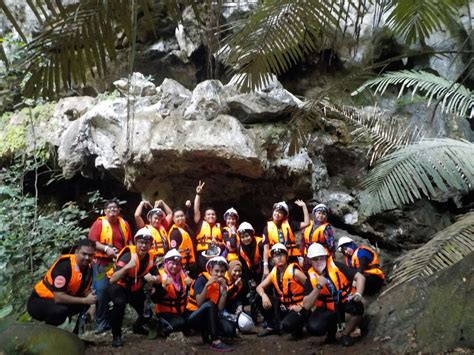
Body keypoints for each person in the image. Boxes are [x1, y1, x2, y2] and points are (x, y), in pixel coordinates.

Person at [303, 243, 366, 347]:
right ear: (310, 260)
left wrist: (358, 293)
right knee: (314, 327)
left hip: (343, 300)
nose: (319, 262)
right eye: (315, 259)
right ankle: (330, 334)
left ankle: (345, 335)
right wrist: (318, 286)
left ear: (326, 257)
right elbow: (306, 305)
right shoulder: (310, 277)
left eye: (321, 258)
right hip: (327, 306)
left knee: (358, 308)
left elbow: (360, 277)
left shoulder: (337, 266)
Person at [107, 227, 160, 347]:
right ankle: (116, 335)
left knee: (147, 314)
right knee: (119, 304)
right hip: (119, 284)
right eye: (141, 242)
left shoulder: (150, 257)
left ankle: (137, 327)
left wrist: (155, 279)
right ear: (136, 243)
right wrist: (127, 267)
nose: (144, 246)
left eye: (147, 243)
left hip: (134, 286)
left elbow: (158, 275)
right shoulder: (127, 255)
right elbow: (112, 279)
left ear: (150, 245)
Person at [27, 239, 97, 329]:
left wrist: (92, 305)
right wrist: (85, 300)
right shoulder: (64, 266)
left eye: (90, 255)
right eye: (84, 254)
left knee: (94, 301)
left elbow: (86, 291)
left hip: (59, 301)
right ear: (76, 252)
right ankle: (50, 333)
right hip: (39, 301)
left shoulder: (88, 268)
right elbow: (59, 297)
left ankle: (77, 333)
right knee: (60, 311)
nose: (87, 258)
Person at [88, 199, 132, 334]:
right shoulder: (99, 224)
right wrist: (106, 248)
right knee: (101, 291)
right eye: (110, 208)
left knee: (119, 291)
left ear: (118, 211)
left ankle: (115, 321)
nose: (113, 210)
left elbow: (129, 241)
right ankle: (101, 323)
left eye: (115, 208)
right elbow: (91, 242)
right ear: (105, 211)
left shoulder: (124, 224)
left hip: (119, 264)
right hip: (103, 264)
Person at [256, 243, 308, 338]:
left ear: (286, 257)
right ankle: (271, 326)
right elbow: (259, 287)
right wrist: (263, 295)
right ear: (273, 260)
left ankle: (299, 324)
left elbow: (310, 287)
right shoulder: (274, 272)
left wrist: (301, 305)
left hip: (298, 306)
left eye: (281, 255)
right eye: (276, 256)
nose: (279, 258)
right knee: (259, 298)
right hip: (285, 306)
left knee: (287, 326)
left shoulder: (294, 271)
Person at [186, 256, 234, 352]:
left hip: (209, 316)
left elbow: (220, 308)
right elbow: (199, 303)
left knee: (230, 330)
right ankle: (215, 341)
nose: (219, 274)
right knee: (210, 304)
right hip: (193, 316)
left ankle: (208, 333)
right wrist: (207, 285)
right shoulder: (202, 279)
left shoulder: (223, 283)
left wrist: (224, 291)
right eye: (216, 271)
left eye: (222, 271)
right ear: (210, 270)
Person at [262, 200, 310, 276]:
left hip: (291, 257)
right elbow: (266, 248)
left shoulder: (290, 224)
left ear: (284, 216)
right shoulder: (267, 228)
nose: (277, 214)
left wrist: (304, 206)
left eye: (280, 212)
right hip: (276, 258)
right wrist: (265, 266)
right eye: (276, 211)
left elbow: (307, 223)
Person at [152, 249, 193, 336]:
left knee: (193, 320)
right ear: (166, 263)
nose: (175, 267)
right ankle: (160, 327)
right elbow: (155, 299)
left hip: (180, 311)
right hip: (165, 312)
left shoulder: (183, 275)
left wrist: (191, 284)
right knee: (180, 323)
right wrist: (163, 286)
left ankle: (184, 326)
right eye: (172, 263)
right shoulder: (160, 276)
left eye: (177, 264)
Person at [193, 181, 224, 271]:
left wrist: (218, 243)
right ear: (205, 217)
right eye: (209, 214)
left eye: (213, 214)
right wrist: (198, 194)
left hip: (216, 253)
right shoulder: (200, 223)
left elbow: (224, 244)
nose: (211, 216)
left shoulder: (220, 227)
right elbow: (196, 209)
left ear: (216, 217)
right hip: (203, 253)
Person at [236, 222, 263, 321]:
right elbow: (244, 266)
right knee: (252, 292)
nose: (245, 239)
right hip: (251, 273)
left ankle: (266, 314)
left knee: (264, 291)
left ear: (251, 235)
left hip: (263, 271)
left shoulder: (260, 244)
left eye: (247, 236)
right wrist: (251, 279)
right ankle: (254, 316)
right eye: (242, 237)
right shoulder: (240, 248)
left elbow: (266, 261)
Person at [167, 208, 197, 277]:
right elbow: (174, 251)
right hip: (182, 265)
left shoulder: (187, 228)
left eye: (182, 216)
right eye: (177, 216)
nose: (180, 218)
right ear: (173, 219)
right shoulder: (175, 233)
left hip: (192, 263)